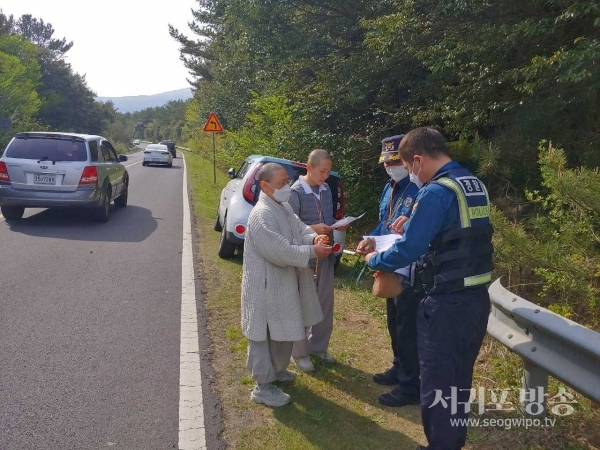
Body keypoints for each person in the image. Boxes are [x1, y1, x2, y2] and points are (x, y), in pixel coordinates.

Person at [364, 127, 493, 450]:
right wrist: (415, 222)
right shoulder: (472, 184)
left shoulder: (435, 192)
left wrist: (376, 260)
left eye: (408, 168)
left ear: (418, 160)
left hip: (445, 302)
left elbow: (408, 250)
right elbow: (457, 231)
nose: (410, 174)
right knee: (458, 382)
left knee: (437, 385)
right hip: (475, 299)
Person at [241, 162, 333, 407]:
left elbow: (299, 228)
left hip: (282, 285)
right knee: (264, 335)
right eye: (281, 183)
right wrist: (313, 251)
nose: (287, 187)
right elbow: (279, 251)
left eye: (287, 181)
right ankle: (262, 385)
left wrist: (314, 237)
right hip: (264, 288)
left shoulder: (281, 206)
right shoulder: (261, 214)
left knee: (283, 330)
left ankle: (278, 370)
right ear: (265, 185)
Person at [355, 135, 421, 407]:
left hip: (409, 269)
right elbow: (384, 224)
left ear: (407, 161)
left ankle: (410, 384)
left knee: (408, 328)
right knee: (394, 323)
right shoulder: (389, 187)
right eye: (385, 162)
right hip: (388, 264)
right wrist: (370, 240)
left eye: (394, 162)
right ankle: (398, 367)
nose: (389, 167)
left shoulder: (420, 189)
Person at [289, 149, 346, 372]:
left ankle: (318, 347)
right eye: (322, 171)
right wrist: (314, 229)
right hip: (305, 257)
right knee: (302, 305)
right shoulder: (295, 192)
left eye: (329, 172)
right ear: (309, 167)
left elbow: (329, 220)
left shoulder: (326, 190)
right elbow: (290, 226)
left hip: (325, 256)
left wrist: (336, 225)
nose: (326, 176)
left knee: (324, 303)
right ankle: (300, 352)